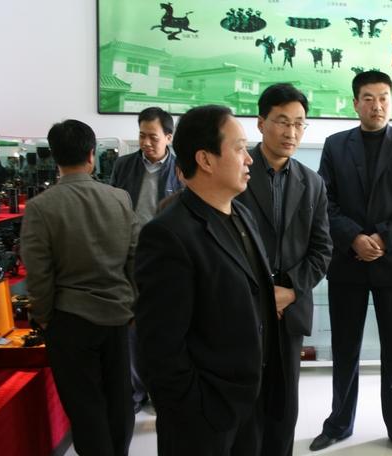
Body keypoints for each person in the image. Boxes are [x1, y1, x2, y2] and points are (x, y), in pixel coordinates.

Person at [134, 105, 283, 456]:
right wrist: (197, 408)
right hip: (203, 418)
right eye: (239, 148)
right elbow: (159, 347)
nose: (249, 159)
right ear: (205, 159)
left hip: (248, 402)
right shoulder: (169, 234)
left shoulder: (242, 215)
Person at [310, 70, 392, 456]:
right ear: (355, 103)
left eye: (383, 98)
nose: (376, 105)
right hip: (348, 262)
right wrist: (354, 238)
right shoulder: (335, 145)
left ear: (391, 101)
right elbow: (325, 200)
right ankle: (338, 424)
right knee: (344, 348)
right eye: (368, 98)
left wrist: (381, 237)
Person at [20, 119, 138, 456]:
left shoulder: (41, 207)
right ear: (91, 155)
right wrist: (133, 305)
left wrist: (44, 317)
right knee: (120, 399)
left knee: (86, 407)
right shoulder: (119, 199)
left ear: (55, 157)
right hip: (117, 316)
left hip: (70, 320)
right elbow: (134, 259)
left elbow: (39, 274)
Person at [236, 83, 332, 455]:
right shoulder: (237, 171)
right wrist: (262, 293)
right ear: (261, 123)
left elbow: (322, 249)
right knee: (246, 403)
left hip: (289, 311)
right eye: (282, 121)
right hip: (242, 306)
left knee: (284, 405)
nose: (291, 132)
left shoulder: (313, 182)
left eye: (299, 123)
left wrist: (290, 289)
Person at [110, 106, 184, 413]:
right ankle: (136, 392)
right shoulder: (124, 166)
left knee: (164, 327)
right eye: (142, 136)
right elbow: (113, 208)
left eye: (153, 137)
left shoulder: (181, 169)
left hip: (166, 259)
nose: (146, 142)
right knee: (132, 327)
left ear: (169, 137)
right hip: (130, 256)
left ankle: (160, 391)